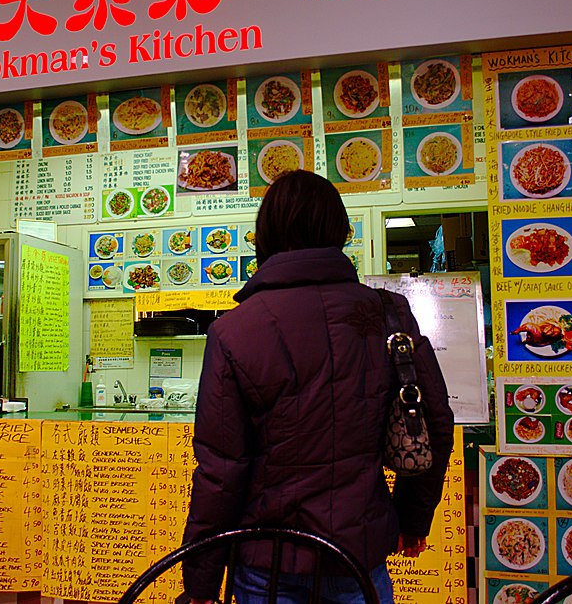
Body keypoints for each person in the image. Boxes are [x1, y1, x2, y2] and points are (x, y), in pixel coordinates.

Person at [181, 170, 454, 604]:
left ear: (263, 235)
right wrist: (413, 517)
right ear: (340, 231)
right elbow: (434, 421)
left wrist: (200, 581)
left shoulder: (233, 330)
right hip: (357, 555)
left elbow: (221, 469)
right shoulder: (389, 313)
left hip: (264, 561)